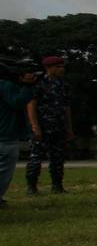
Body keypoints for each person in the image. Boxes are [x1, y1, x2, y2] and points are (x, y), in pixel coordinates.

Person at [25, 55, 72, 195]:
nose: (61, 69)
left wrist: (69, 127)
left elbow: (66, 107)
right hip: (42, 126)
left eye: (62, 66)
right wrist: (35, 127)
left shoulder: (63, 85)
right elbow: (31, 105)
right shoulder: (38, 84)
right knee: (35, 158)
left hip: (58, 126)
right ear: (48, 68)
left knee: (58, 158)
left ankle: (57, 186)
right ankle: (31, 187)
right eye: (57, 67)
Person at [0, 65, 37, 206]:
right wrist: (28, 86)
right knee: (4, 170)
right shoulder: (6, 86)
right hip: (5, 135)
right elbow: (17, 102)